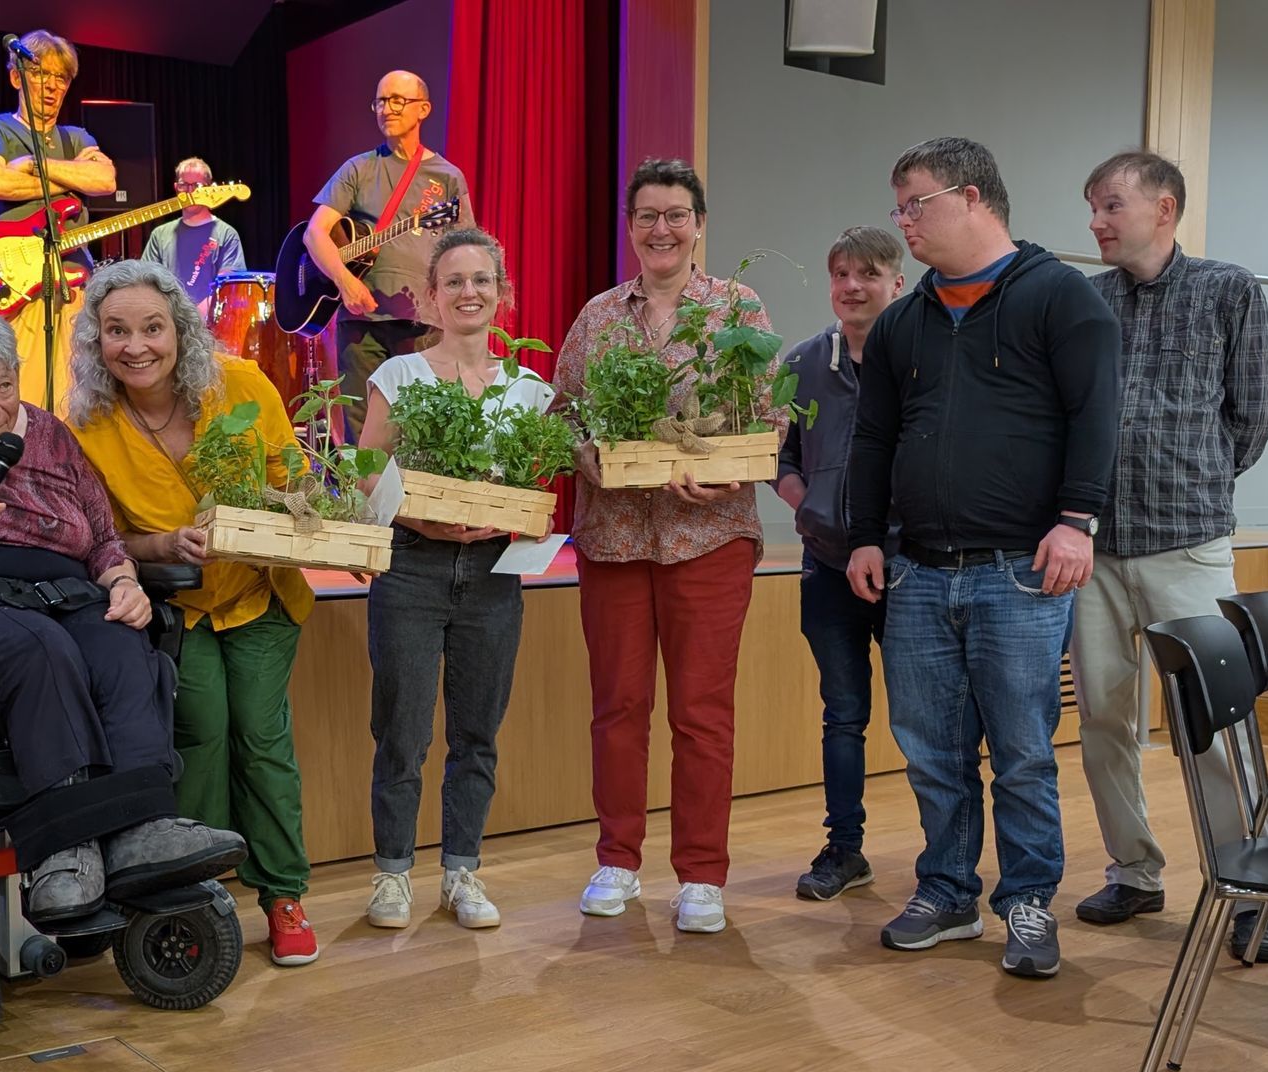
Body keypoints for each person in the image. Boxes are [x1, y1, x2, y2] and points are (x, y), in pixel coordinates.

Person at [0, 299, 246, 919]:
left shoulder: (49, 433)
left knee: (121, 642)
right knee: (41, 649)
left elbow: (103, 534)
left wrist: (123, 581)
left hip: (67, 590)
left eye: (3, 387)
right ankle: (67, 849)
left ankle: (143, 830)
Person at [845, 136, 1120, 979]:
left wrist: (1077, 520)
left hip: (1022, 572)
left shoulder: (1060, 297)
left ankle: (1029, 899)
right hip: (919, 571)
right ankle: (947, 891)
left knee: (1023, 751)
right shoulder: (903, 321)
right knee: (932, 750)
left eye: (915, 204)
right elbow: (874, 437)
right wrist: (864, 533)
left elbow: (1097, 415)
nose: (904, 222)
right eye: (899, 207)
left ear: (972, 198)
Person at [67, 260, 322, 967]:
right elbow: (101, 539)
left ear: (180, 329)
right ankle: (196, 893)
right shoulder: (86, 426)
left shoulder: (241, 384)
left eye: (152, 327)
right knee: (202, 732)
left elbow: (297, 485)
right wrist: (163, 544)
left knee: (260, 735)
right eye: (116, 331)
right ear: (95, 340)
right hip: (176, 604)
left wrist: (299, 523)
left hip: (261, 592)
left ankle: (283, 893)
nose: (136, 346)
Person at [553, 158, 779, 936]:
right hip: (614, 539)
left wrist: (727, 472)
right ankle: (617, 860)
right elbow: (565, 413)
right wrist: (592, 457)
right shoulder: (597, 317)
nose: (662, 229)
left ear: (699, 224)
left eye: (676, 215)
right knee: (617, 708)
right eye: (647, 215)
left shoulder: (737, 308)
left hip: (710, 538)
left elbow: (769, 418)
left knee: (702, 713)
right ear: (630, 226)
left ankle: (703, 876)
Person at [1071, 150, 1268, 959]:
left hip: (1187, 547)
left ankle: (1251, 890)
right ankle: (1134, 871)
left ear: (1163, 208)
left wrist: (1197, 476)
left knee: (1214, 725)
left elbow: (1253, 411)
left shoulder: (1228, 288)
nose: (1096, 220)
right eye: (1092, 207)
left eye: (1111, 205)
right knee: (1103, 721)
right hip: (1095, 552)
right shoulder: (1089, 300)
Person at [353, 227, 551, 931]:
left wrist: (516, 516)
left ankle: (462, 872)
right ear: (431, 296)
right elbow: (369, 470)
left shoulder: (529, 389)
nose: (470, 292)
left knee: (477, 733)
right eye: (455, 281)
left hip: (493, 575)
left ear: (503, 294)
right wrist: (424, 518)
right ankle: (393, 876)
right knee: (401, 730)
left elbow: (530, 486)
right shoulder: (399, 376)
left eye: (482, 280)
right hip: (412, 566)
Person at [772, 225, 905, 902]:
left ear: (897, 284)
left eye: (868, 274)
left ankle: (946, 858)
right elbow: (780, 457)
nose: (852, 287)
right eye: (841, 275)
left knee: (926, 720)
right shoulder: (801, 363)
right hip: (826, 567)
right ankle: (844, 849)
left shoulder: (919, 360)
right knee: (843, 714)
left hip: (910, 570)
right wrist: (811, 506)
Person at [309, 69, 474, 437]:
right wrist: (346, 281)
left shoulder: (447, 177)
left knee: (421, 434)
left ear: (423, 109)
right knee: (362, 435)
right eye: (381, 101)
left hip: (423, 323)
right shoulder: (358, 168)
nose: (387, 109)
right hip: (360, 323)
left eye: (397, 100)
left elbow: (466, 251)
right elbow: (315, 233)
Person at [0, 28, 115, 413]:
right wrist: (71, 175)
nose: (51, 86)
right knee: (19, 395)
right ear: (16, 78)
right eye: (40, 74)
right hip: (16, 281)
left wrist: (34, 164)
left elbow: (104, 180)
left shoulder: (76, 137)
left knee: (73, 395)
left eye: (60, 78)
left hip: (72, 279)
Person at [142, 157, 246, 322]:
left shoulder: (227, 234)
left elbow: (228, 287)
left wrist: (191, 320)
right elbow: (146, 282)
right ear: (176, 188)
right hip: (167, 324)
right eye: (184, 185)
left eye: (197, 186)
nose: (190, 191)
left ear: (209, 189)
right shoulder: (160, 234)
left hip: (210, 327)